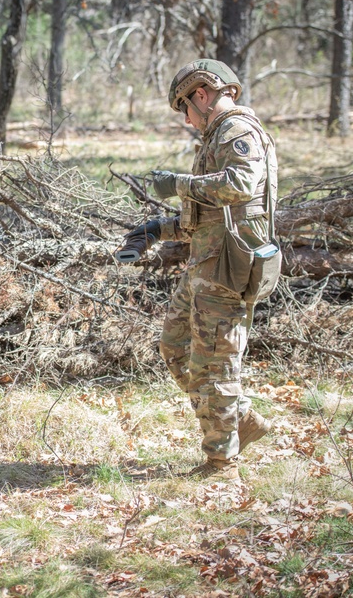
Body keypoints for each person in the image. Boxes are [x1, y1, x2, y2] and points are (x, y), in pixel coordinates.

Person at [119, 59, 278, 482]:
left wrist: (177, 183)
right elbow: (211, 214)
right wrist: (156, 230)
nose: (187, 118)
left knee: (217, 367)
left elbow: (240, 187)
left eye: (185, 108)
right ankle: (240, 420)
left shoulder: (237, 131)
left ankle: (221, 465)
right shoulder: (217, 135)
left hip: (227, 269)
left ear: (202, 95)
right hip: (206, 263)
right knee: (174, 347)